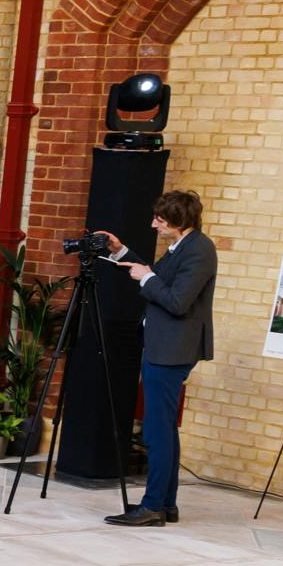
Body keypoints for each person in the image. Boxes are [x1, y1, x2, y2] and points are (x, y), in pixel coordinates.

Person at [106, 188, 216, 527]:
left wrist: (148, 277)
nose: (154, 224)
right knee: (164, 428)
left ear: (179, 221)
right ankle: (166, 504)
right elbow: (160, 278)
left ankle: (152, 506)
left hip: (172, 350)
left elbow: (177, 301)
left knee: (156, 431)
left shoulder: (200, 250)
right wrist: (120, 251)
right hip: (164, 345)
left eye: (160, 219)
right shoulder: (183, 246)